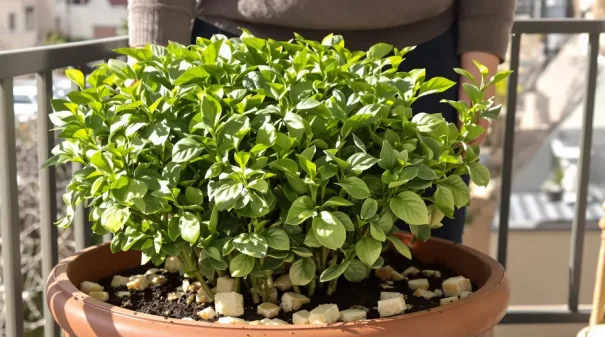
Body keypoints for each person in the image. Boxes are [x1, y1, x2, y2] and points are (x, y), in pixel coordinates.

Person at [127, 0, 516, 243]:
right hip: (239, 57)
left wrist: (480, 82)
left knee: (419, 273)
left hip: (418, 60)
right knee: (234, 271)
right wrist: (149, 74)